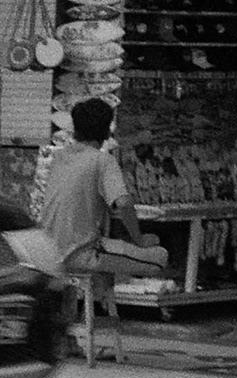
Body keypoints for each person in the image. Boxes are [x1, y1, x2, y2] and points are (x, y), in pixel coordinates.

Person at [39, 98, 169, 278]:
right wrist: (138, 238)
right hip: (78, 254)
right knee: (160, 256)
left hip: (45, 252)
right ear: (108, 133)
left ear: (74, 130)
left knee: (116, 246)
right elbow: (124, 203)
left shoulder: (59, 157)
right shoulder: (103, 161)